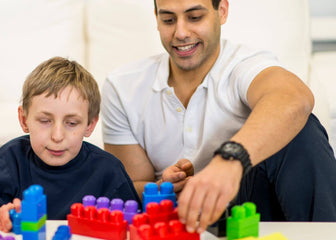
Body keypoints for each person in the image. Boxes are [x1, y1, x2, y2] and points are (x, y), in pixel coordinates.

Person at [101, 0, 336, 235]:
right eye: (168, 20)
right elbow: (129, 187)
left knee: (299, 128)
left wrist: (230, 161)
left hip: (250, 211)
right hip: (174, 221)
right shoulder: (123, 87)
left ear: (221, 12)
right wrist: (165, 189)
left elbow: (294, 97)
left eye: (195, 18)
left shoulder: (243, 65)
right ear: (156, 18)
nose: (181, 33)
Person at [0, 56, 141, 232]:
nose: (57, 136)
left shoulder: (109, 170)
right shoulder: (7, 162)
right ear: (24, 120)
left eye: (71, 123)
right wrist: (2, 218)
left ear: (90, 125)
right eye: (45, 121)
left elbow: (133, 228)